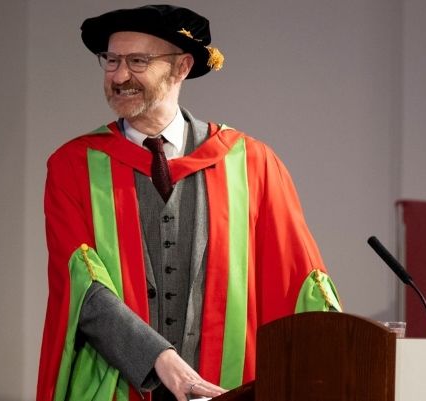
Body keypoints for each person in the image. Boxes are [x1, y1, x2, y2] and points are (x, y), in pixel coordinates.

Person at [37, 5, 342, 401]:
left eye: (137, 61)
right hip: (116, 390)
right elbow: (83, 291)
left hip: (226, 390)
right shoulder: (74, 166)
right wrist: (159, 358)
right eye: (111, 60)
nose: (119, 75)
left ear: (181, 67)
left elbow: (297, 282)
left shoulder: (252, 165)